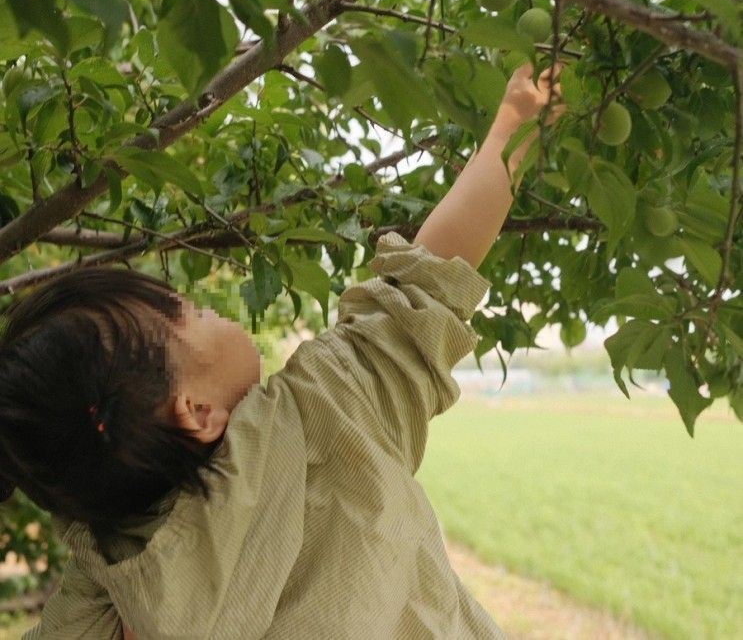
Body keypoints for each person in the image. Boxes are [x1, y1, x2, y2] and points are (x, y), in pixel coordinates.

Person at [1, 61, 564, 639]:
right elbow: (429, 277)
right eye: (182, 309)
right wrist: (510, 129)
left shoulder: (108, 578)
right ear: (194, 411)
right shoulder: (323, 413)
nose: (198, 302)